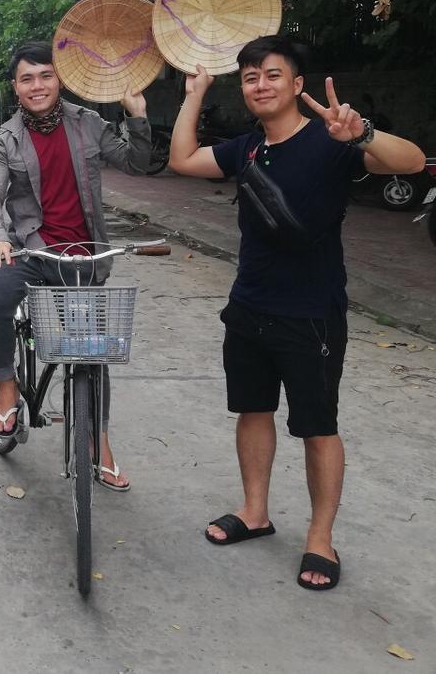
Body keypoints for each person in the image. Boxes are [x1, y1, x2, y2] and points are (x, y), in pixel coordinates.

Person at [168, 35, 425, 590]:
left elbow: (414, 162)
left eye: (273, 75)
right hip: (250, 305)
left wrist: (363, 133)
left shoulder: (333, 141)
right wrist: (195, 93)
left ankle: (320, 538)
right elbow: (182, 159)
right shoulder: (246, 149)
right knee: (252, 410)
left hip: (312, 312)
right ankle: (255, 512)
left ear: (298, 84)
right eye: (251, 77)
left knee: (317, 427)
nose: (261, 85)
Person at [0, 40, 151, 490]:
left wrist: (137, 115)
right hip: (31, 251)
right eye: (27, 78)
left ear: (60, 79)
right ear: (15, 88)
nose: (37, 86)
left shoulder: (89, 123)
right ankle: (7, 387)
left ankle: (99, 443)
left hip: (84, 256)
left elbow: (137, 162)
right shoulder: (5, 139)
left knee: (93, 351)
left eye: (46, 75)